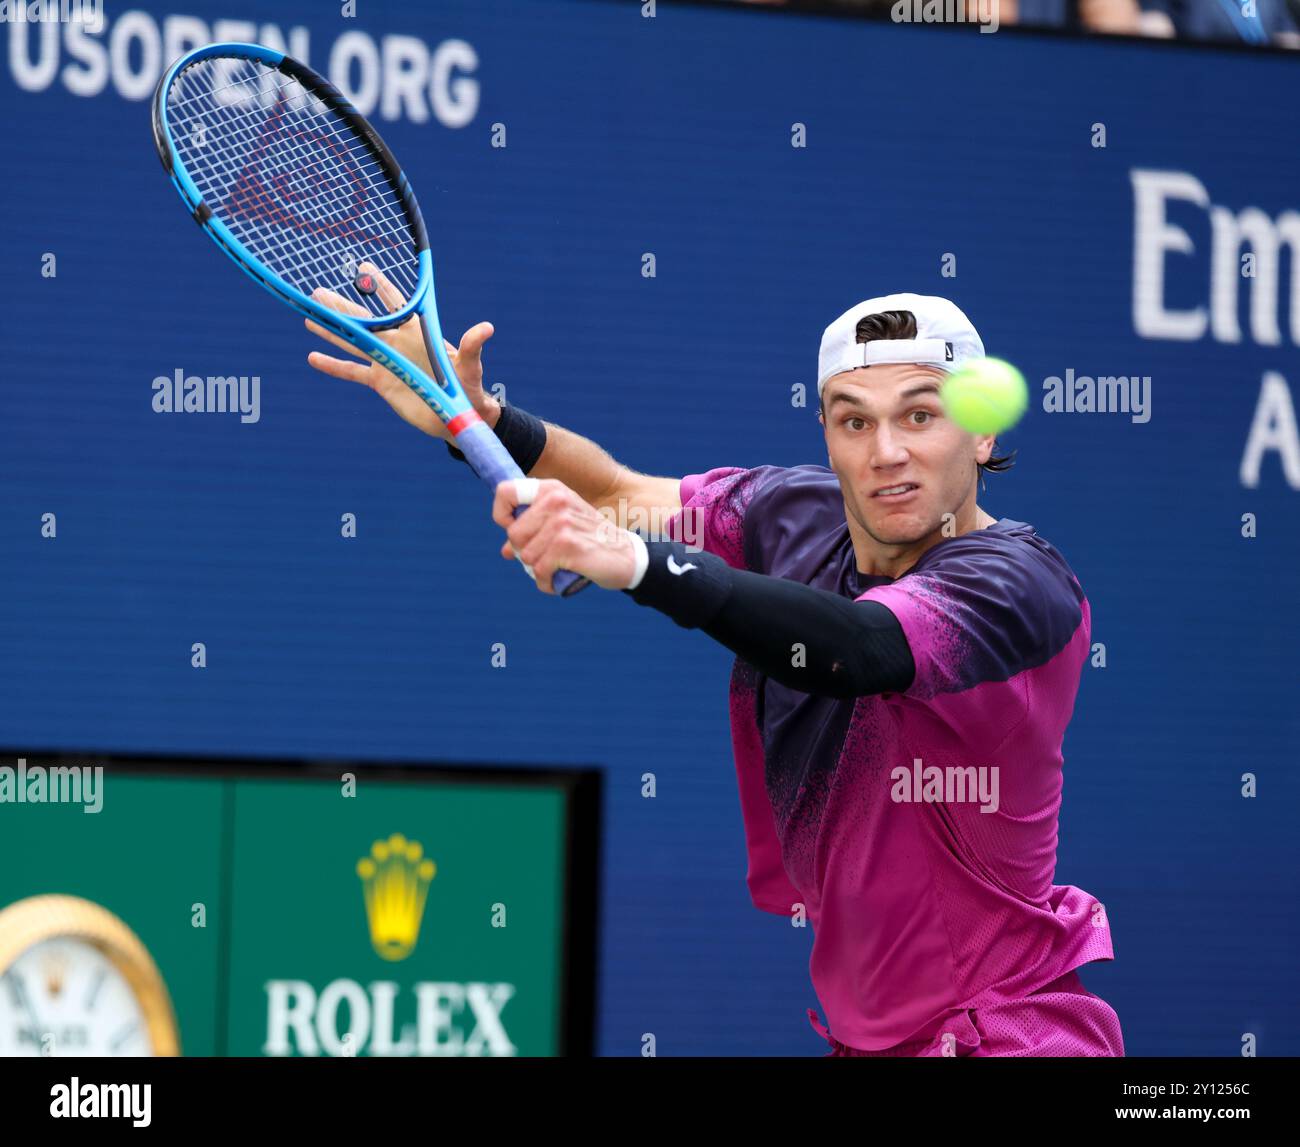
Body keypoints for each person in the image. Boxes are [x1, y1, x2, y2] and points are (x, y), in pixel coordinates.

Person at [306, 286, 1124, 1057]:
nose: (888, 452)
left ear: (982, 432)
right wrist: (474, 419)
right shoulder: (786, 516)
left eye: (921, 415)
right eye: (854, 421)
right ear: (827, 434)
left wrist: (631, 560)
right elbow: (623, 493)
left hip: (1009, 1031)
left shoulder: (1017, 581)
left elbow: (863, 647)